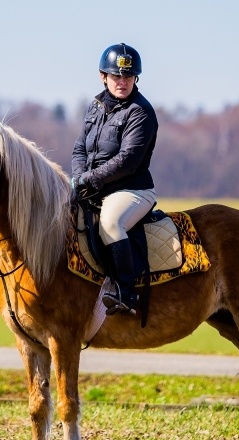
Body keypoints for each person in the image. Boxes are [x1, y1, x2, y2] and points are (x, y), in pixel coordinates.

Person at [71, 43, 159, 315]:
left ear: (135, 78)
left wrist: (88, 180)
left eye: (128, 76)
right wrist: (77, 178)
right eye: (117, 76)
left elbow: (127, 161)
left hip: (132, 190)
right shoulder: (95, 107)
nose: (122, 82)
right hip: (96, 187)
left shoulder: (140, 112)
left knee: (110, 223)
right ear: (103, 76)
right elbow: (79, 149)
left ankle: (126, 293)